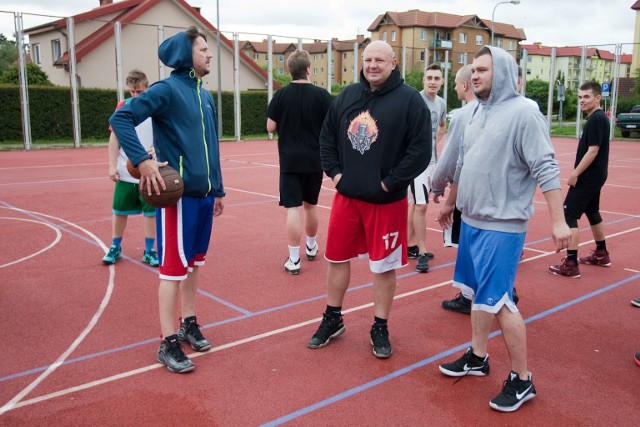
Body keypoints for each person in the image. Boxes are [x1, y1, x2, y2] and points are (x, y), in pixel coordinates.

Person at [436, 46, 571, 412]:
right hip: (474, 221)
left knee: (501, 301)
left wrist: (559, 220)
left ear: (505, 72)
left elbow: (546, 166)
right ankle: (478, 356)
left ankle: (522, 380)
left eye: (484, 69)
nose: (475, 75)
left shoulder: (524, 113)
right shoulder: (475, 112)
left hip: (503, 226)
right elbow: (464, 163)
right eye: (474, 70)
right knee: (479, 294)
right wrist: (448, 199)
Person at [110, 27, 225, 374]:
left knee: (194, 265)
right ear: (184, 55)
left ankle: (188, 322)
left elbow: (212, 146)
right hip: (177, 201)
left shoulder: (204, 95)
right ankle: (167, 340)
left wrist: (217, 188)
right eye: (202, 49)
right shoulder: (166, 89)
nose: (209, 54)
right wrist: (142, 160)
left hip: (204, 197)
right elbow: (121, 118)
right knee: (172, 271)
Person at [307, 40, 431, 359]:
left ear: (393, 63)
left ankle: (379, 325)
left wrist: (390, 183)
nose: (372, 65)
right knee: (336, 258)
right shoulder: (348, 96)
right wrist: (336, 174)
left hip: (387, 202)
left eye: (379, 60)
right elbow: (326, 138)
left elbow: (420, 151)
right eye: (367, 59)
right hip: (348, 197)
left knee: (383, 266)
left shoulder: (410, 101)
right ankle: (332, 318)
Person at [266, 49, 333, 275]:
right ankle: (312, 247)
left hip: (290, 159)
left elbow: (270, 127)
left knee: (293, 208)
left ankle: (294, 260)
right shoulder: (322, 95)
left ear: (289, 71)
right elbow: (332, 126)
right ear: (308, 69)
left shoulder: (281, 95)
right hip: (315, 159)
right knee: (311, 205)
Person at [548, 81, 611, 278]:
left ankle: (571, 263)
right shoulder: (598, 118)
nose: (582, 101)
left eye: (586, 97)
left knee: (569, 215)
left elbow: (593, 151)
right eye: (580, 97)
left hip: (588, 177)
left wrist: (575, 173)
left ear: (598, 98)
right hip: (596, 175)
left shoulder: (596, 120)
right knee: (592, 211)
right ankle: (601, 253)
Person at [431, 64, 476, 314]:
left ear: (465, 85)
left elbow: (452, 156)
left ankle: (469, 296)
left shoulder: (463, 114)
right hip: (492, 192)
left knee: (467, 242)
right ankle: (502, 289)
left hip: (467, 191)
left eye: (457, 83)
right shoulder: (497, 110)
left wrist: (438, 185)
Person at [102, 69, 159, 267]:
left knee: (150, 212)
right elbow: (114, 139)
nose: (135, 96)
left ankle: (150, 250)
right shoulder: (123, 106)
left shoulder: (155, 107)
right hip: (126, 169)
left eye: (140, 92)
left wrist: (158, 149)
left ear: (147, 88)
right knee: (119, 210)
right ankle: (115, 246)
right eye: (132, 92)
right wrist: (111, 166)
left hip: (149, 169)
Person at [407, 63, 446, 273]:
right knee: (421, 206)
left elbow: (441, 127)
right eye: (429, 77)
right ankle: (422, 251)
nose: (432, 81)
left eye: (436, 78)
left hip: (432, 161)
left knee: (414, 204)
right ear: (423, 80)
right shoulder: (415, 100)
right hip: (416, 164)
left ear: (441, 81)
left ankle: (410, 245)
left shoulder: (441, 103)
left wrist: (433, 144)